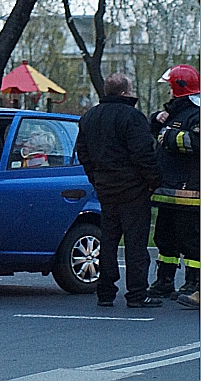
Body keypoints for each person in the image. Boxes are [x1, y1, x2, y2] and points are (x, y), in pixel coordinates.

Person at [75, 73, 163, 308]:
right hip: (133, 189)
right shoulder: (132, 117)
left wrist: (96, 179)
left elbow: (82, 153)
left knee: (110, 240)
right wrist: (153, 180)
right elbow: (144, 154)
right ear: (125, 92)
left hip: (105, 189)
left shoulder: (89, 117)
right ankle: (136, 293)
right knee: (135, 243)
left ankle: (105, 292)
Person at [146, 65, 200, 302]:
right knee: (164, 239)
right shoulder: (176, 113)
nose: (167, 93)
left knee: (191, 241)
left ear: (179, 89)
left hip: (190, 192)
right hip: (168, 191)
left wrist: (167, 136)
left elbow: (195, 143)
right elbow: (155, 129)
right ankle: (164, 281)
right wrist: (156, 119)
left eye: (169, 87)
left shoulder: (196, 114)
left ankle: (193, 284)